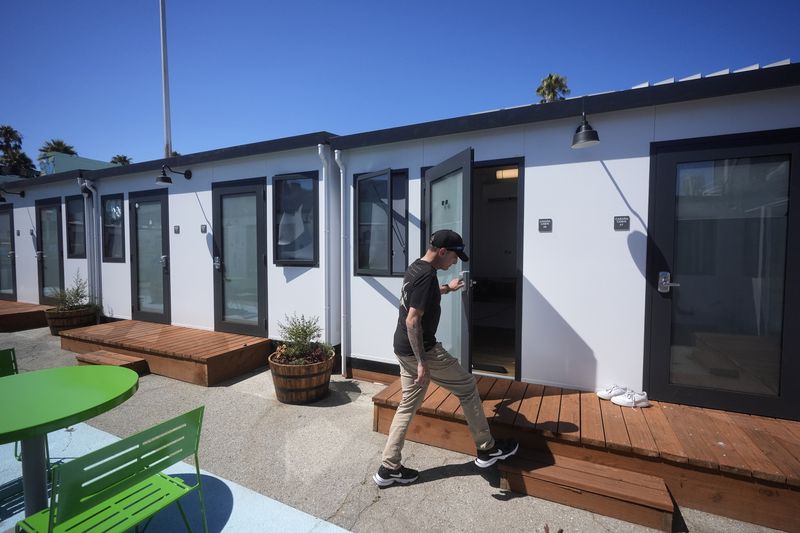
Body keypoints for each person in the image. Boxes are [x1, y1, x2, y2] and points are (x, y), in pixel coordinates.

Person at [373, 229, 518, 487]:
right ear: (442, 252)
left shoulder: (416, 268)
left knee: (408, 404)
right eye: (454, 256)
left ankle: (388, 468)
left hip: (402, 348)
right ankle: (487, 449)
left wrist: (447, 289)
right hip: (422, 351)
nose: (455, 261)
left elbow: (420, 299)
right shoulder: (426, 277)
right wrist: (421, 362)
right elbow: (412, 319)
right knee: (468, 387)